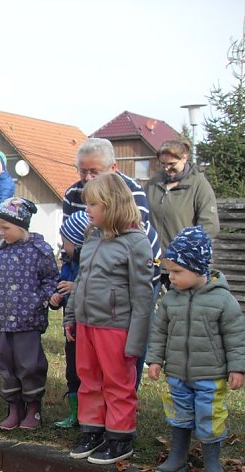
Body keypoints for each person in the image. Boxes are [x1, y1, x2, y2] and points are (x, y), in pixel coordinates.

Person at [64, 174, 154, 465]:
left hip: (115, 326)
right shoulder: (92, 237)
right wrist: (70, 316)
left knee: (117, 383)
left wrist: (137, 340)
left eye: (93, 204)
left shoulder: (135, 243)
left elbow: (144, 296)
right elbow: (81, 280)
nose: (87, 209)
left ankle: (120, 437)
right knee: (88, 379)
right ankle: (93, 430)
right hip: (87, 323)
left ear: (113, 204)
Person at [147, 226, 245, 472]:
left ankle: (212, 461)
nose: (173, 277)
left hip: (210, 375)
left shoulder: (223, 300)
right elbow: (159, 332)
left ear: (198, 268)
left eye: (178, 272)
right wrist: (155, 359)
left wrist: (237, 368)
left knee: (209, 417)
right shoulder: (171, 300)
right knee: (180, 415)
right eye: (170, 272)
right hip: (178, 373)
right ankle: (178, 456)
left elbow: (236, 337)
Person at [62, 137, 161, 388]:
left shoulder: (130, 192)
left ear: (113, 168)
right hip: (92, 269)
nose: (86, 177)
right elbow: (71, 238)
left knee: (125, 347)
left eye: (93, 171)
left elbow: (134, 239)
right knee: (89, 356)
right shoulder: (73, 192)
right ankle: (89, 403)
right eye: (82, 171)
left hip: (130, 274)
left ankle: (127, 393)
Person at [0, 197, 59, 430]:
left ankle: (33, 409)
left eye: (6, 228)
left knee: (30, 365)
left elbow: (51, 279)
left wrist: (42, 299)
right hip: (4, 321)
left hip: (29, 320)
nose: (1, 232)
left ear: (22, 226)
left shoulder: (39, 250)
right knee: (5, 364)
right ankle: (14, 408)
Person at [48, 210, 91, 429]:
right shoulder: (68, 263)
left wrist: (76, 287)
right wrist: (55, 298)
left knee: (87, 371)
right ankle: (75, 413)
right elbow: (60, 284)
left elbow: (94, 286)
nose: (63, 246)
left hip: (87, 325)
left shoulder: (89, 263)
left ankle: (89, 414)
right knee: (72, 369)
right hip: (70, 326)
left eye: (65, 241)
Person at [145, 139, 219, 263]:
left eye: (172, 164)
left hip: (184, 263)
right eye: (163, 164)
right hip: (154, 262)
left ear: (184, 158)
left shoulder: (199, 185)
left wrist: (189, 253)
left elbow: (210, 226)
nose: (167, 168)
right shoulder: (153, 184)